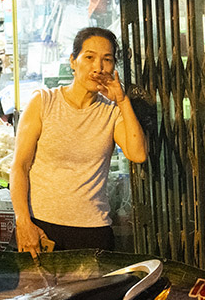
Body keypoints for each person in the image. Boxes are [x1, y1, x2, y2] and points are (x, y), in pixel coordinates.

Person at [10, 26, 148, 256]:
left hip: (92, 232)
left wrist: (122, 101)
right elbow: (19, 166)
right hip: (41, 228)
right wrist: (23, 221)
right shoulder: (44, 102)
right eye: (89, 57)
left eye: (107, 59)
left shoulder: (112, 112)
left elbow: (138, 154)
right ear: (73, 61)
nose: (98, 67)